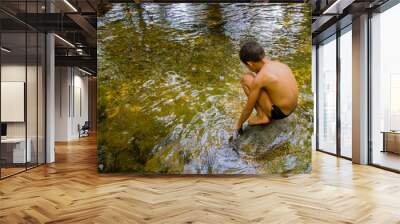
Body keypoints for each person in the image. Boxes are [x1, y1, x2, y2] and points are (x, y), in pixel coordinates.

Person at [233, 41, 298, 139]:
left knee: (246, 79)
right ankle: (265, 113)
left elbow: (248, 109)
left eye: (247, 66)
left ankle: (262, 116)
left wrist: (238, 125)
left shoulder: (261, 77)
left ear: (250, 64)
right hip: (292, 107)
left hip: (280, 113)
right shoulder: (279, 64)